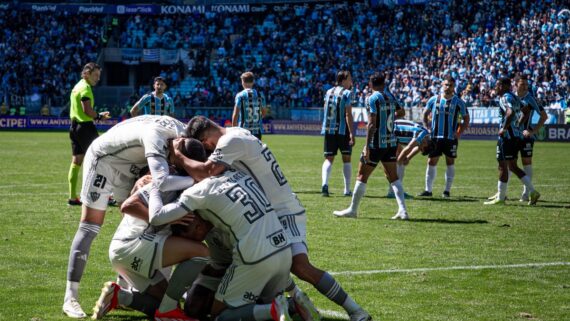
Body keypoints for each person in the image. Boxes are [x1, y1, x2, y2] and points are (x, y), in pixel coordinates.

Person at [178, 115, 372, 321]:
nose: (209, 152)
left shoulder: (229, 141)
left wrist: (179, 157)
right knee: (276, 263)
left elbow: (208, 171)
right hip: (273, 210)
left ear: (206, 141)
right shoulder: (237, 132)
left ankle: (354, 310)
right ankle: (294, 302)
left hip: (283, 211)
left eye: (207, 148)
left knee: (299, 266)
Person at [63, 115, 196, 319]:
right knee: (90, 226)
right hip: (105, 160)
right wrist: (193, 179)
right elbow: (162, 181)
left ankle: (125, 286)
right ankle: (70, 297)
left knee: (141, 219)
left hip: (133, 162)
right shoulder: (159, 136)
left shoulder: (182, 134)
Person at [148, 165, 293, 321]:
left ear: (195, 223)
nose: (196, 240)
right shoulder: (233, 177)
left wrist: (156, 185)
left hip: (252, 258)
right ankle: (292, 303)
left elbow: (156, 217)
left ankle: (272, 308)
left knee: (221, 316)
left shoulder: (198, 197)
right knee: (193, 308)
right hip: (281, 249)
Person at [91, 138, 210, 321]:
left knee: (165, 305)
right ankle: (168, 309)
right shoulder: (170, 180)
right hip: (133, 245)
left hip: (126, 251)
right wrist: (164, 218)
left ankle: (120, 295)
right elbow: (128, 206)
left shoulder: (181, 180)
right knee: (203, 253)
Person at [333, 73, 409, 220]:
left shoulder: (372, 98)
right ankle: (403, 211)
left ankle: (353, 210)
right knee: (393, 177)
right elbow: (402, 112)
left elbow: (372, 123)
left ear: (371, 84)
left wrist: (367, 146)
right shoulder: (390, 97)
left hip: (376, 144)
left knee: (362, 176)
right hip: (391, 142)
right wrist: (388, 116)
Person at [484, 77, 540, 206]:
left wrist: (504, 128)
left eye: (497, 85)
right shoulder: (514, 98)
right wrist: (518, 125)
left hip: (507, 138)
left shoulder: (505, 98)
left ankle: (504, 197)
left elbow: (509, 113)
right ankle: (525, 192)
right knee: (509, 166)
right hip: (515, 136)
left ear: (504, 86)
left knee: (506, 166)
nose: (495, 87)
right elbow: (526, 111)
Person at [418, 76, 470, 198]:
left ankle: (446, 191)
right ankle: (428, 190)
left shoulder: (458, 102)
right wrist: (427, 128)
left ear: (454, 87)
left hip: (450, 139)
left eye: (451, 85)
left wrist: (458, 132)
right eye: (446, 85)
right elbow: (425, 114)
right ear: (442, 85)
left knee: (450, 162)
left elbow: (466, 119)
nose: (448, 87)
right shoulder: (434, 100)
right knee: (431, 161)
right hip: (435, 137)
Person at [67, 62, 110, 206]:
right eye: (95, 75)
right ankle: (105, 195)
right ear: (87, 74)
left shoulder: (77, 86)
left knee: (77, 161)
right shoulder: (85, 89)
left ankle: (73, 197)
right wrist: (99, 116)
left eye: (99, 75)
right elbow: (87, 111)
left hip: (74, 127)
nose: (98, 78)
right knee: (102, 159)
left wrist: (96, 115)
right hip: (85, 128)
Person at [320, 70, 355, 197]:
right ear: (343, 80)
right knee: (346, 158)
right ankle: (346, 190)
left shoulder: (328, 92)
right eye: (349, 78)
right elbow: (347, 114)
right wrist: (351, 133)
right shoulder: (347, 93)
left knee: (329, 159)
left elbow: (325, 108)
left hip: (329, 129)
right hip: (342, 130)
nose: (351, 81)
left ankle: (324, 184)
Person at [515, 74, 547, 202]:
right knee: (508, 163)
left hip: (525, 137)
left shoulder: (530, 99)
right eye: (522, 84)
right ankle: (502, 192)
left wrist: (533, 131)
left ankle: (526, 192)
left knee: (526, 163)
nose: (525, 86)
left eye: (526, 84)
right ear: (516, 84)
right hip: (512, 136)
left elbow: (544, 116)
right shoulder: (511, 97)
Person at [385, 119, 433, 198]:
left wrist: (408, 158)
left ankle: (395, 191)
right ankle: (395, 191)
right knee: (398, 165)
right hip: (391, 132)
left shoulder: (425, 138)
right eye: (422, 148)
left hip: (395, 137)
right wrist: (399, 162)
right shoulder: (422, 135)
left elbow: (417, 148)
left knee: (400, 165)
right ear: (425, 143)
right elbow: (408, 148)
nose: (420, 149)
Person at [232, 71, 265, 140]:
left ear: (242, 82)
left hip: (243, 131)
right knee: (255, 151)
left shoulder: (240, 95)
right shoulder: (260, 95)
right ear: (253, 82)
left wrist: (233, 130)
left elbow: (235, 114)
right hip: (257, 131)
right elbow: (264, 113)